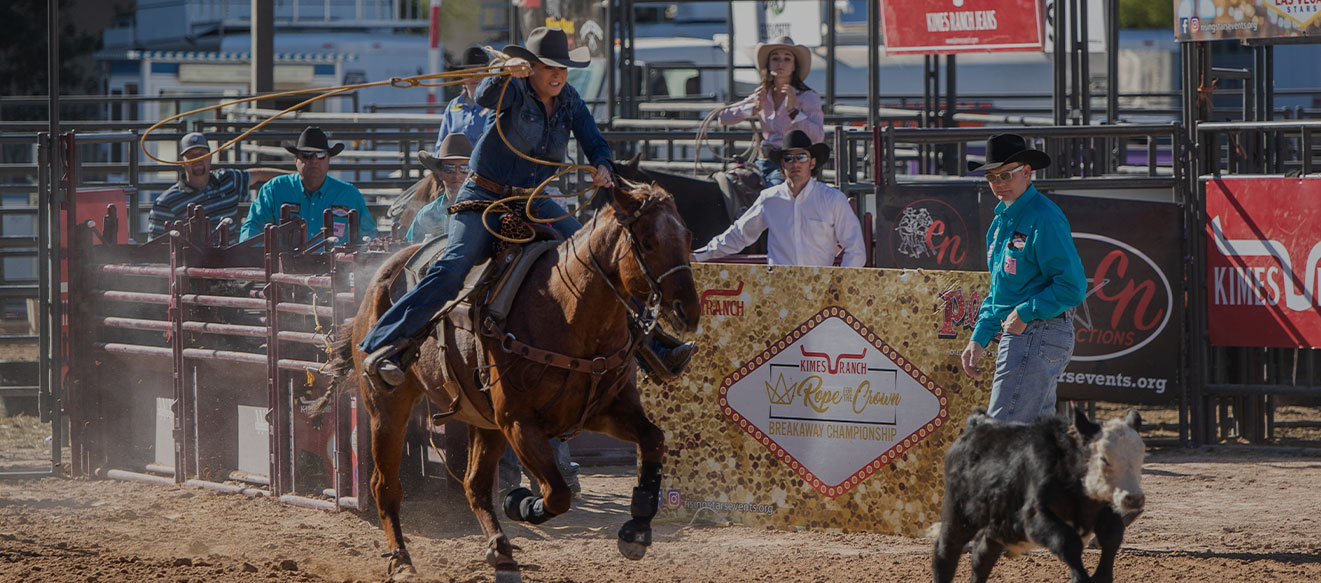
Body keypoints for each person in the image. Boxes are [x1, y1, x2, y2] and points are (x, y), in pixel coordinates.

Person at [359, 27, 692, 387]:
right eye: (549, 67)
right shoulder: (513, 88)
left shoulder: (570, 100)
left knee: (597, 258)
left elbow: (594, 140)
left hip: (534, 200)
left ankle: (654, 346)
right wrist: (503, 73)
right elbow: (485, 96)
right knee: (454, 267)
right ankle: (386, 344)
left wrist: (602, 165)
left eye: (562, 68)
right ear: (531, 68)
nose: (558, 75)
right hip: (483, 196)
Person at [959, 134, 1086, 423]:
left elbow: (1072, 287)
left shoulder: (1043, 217)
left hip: (1036, 331)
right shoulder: (1003, 221)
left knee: (1004, 429)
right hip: (1032, 332)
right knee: (1028, 434)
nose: (999, 183)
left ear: (1027, 172)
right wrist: (980, 336)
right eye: (992, 177)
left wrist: (1024, 313)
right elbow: (1000, 290)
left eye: (1006, 174)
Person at [693, 130, 865, 268]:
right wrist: (700, 255)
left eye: (801, 157)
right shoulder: (769, 199)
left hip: (820, 287)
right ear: (782, 165)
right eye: (789, 158)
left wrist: (839, 284)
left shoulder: (833, 199)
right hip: (779, 289)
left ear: (812, 163)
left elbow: (855, 248)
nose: (795, 163)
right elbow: (739, 234)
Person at [718, 36, 825, 187]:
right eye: (775, 58)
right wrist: (753, 109)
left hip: (791, 163)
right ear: (768, 64)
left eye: (787, 59)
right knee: (736, 187)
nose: (780, 63)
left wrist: (793, 112)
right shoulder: (763, 94)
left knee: (773, 191)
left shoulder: (807, 97)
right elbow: (723, 118)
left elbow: (818, 136)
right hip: (764, 159)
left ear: (794, 66)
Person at [239, 127, 380, 242]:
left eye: (320, 155)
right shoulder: (274, 190)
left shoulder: (349, 194)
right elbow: (252, 231)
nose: (314, 160)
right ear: (296, 160)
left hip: (337, 266)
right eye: (307, 155)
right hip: (283, 267)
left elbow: (369, 237)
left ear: (328, 159)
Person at [147, 132, 287, 241]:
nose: (197, 159)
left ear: (210, 156)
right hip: (191, 264)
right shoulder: (166, 202)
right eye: (191, 155)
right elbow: (155, 248)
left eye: (202, 154)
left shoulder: (228, 180)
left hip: (229, 260)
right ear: (181, 161)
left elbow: (259, 174)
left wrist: (296, 178)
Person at [408, 133, 472, 242]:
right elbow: (410, 248)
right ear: (440, 174)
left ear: (472, 173)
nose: (457, 175)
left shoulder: (485, 213)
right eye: (449, 168)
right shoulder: (425, 214)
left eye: (464, 168)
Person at [432, 46, 492, 151]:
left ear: (487, 76)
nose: (474, 77)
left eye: (479, 72)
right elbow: (441, 143)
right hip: (455, 160)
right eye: (469, 73)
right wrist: (439, 159)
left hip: (482, 160)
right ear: (462, 76)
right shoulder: (453, 105)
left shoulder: (493, 105)